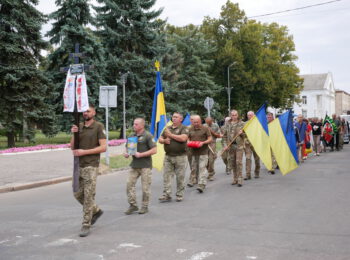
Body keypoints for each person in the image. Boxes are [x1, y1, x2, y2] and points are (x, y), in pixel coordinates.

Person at [70, 104, 107, 237]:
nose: (85, 113)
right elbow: (72, 147)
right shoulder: (79, 126)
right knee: (77, 194)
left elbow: (103, 148)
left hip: (91, 165)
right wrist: (74, 133)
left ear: (94, 113)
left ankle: (86, 223)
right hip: (79, 165)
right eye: (84, 111)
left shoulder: (98, 126)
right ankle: (96, 210)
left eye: (88, 111)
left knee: (88, 195)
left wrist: (84, 152)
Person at [123, 118, 157, 215]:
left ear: (142, 125)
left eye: (136, 124)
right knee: (129, 185)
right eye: (134, 124)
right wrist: (126, 153)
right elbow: (128, 148)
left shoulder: (148, 136)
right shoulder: (132, 136)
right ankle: (133, 205)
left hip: (145, 165)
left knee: (145, 187)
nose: (134, 126)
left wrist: (141, 154)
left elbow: (154, 150)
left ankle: (144, 206)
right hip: (134, 165)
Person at [158, 112, 189, 202]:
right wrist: (164, 140)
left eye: (176, 117)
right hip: (168, 156)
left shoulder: (184, 128)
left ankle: (179, 194)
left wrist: (170, 135)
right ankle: (167, 194)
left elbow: (183, 138)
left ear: (181, 119)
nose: (174, 118)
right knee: (166, 176)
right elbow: (160, 139)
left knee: (180, 177)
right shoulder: (167, 128)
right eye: (173, 117)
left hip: (180, 157)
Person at [187, 115, 212, 193]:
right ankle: (193, 180)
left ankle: (201, 185)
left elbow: (210, 138)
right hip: (193, 152)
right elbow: (187, 137)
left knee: (202, 168)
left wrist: (203, 143)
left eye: (197, 122)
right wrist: (188, 141)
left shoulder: (205, 128)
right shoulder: (189, 129)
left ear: (200, 121)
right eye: (194, 122)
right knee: (193, 168)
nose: (196, 124)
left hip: (203, 152)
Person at [222, 110, 246, 186]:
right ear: (230, 115)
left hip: (239, 146)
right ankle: (235, 178)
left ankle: (240, 179)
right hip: (231, 146)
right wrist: (225, 145)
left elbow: (246, 136)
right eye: (232, 115)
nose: (234, 116)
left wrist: (242, 133)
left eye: (235, 115)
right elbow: (224, 136)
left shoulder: (242, 124)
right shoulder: (227, 124)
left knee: (238, 162)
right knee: (233, 163)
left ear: (238, 115)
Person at [244, 111, 260, 179]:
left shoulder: (258, 124)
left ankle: (257, 172)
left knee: (257, 159)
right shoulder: (245, 124)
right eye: (248, 115)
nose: (249, 116)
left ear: (254, 116)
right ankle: (248, 174)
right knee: (248, 159)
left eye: (251, 115)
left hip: (256, 144)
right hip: (248, 144)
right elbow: (243, 134)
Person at [203, 117, 221, 181]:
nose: (208, 124)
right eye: (207, 122)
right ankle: (210, 171)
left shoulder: (215, 125)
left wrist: (211, 131)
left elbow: (218, 135)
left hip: (212, 143)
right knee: (205, 161)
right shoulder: (204, 126)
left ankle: (211, 174)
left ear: (212, 121)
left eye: (209, 122)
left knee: (211, 159)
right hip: (205, 144)